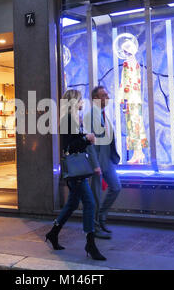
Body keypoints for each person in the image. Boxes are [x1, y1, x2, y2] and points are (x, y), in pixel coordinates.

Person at [45, 89, 106, 261]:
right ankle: (90, 243)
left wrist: (85, 137)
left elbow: (73, 143)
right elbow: (70, 147)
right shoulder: (67, 120)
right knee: (90, 203)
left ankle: (53, 233)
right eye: (80, 99)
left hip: (76, 171)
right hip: (75, 171)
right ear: (73, 102)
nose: (82, 102)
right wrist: (87, 138)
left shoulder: (71, 120)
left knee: (72, 204)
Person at [85, 86, 121, 239]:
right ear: (95, 99)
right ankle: (94, 227)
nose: (106, 97)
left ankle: (101, 217)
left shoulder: (104, 114)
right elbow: (90, 143)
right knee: (96, 195)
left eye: (107, 94)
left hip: (108, 160)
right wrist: (95, 165)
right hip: (97, 161)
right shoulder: (90, 116)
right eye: (103, 95)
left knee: (116, 187)